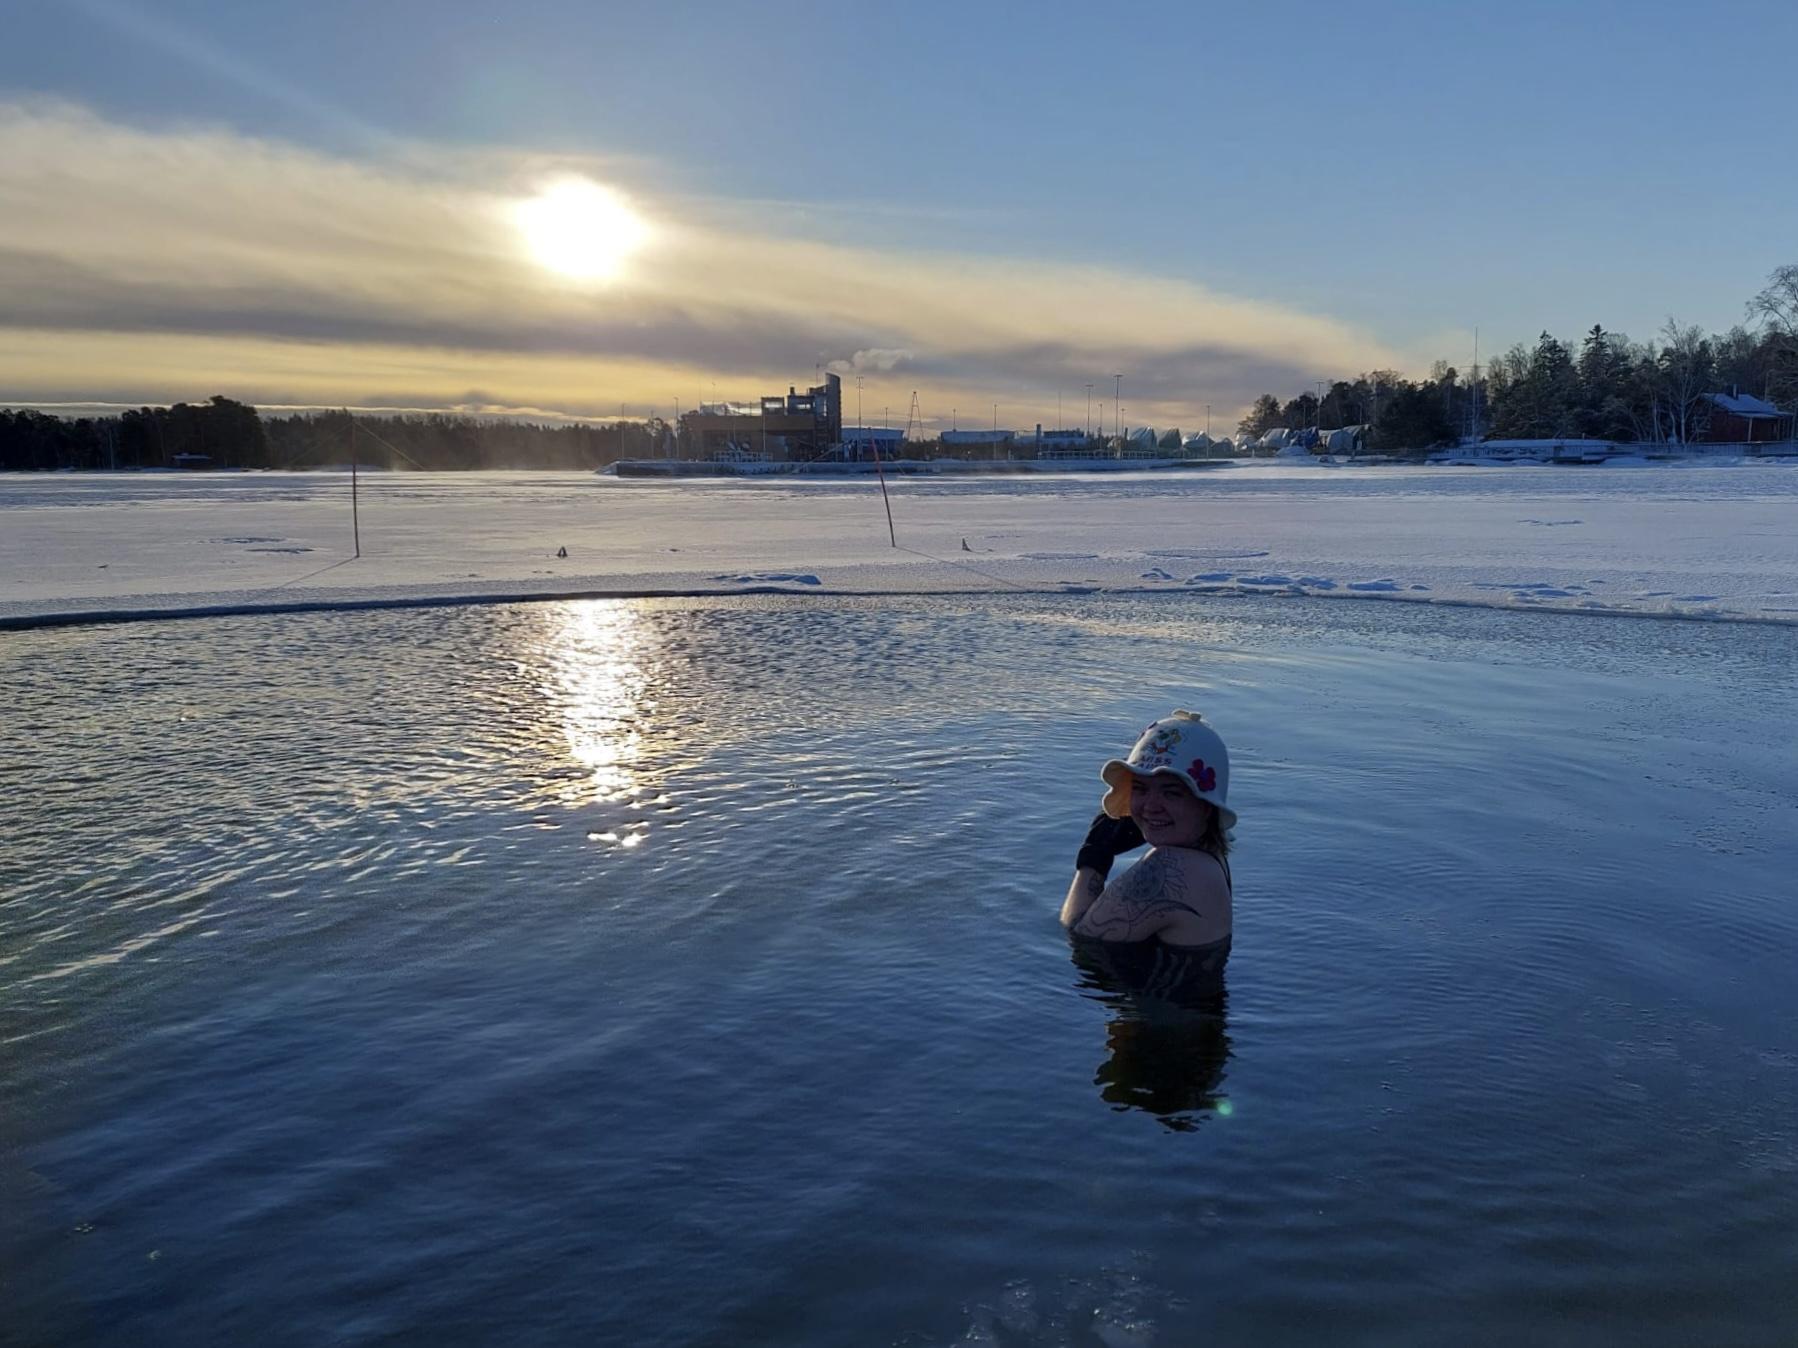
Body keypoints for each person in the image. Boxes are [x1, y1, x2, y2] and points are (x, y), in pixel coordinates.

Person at [1059, 710, 1234, 969]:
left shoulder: (1171, 866)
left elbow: (1081, 943)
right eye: (1140, 789)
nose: (1150, 806)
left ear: (1205, 805)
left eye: (1171, 792)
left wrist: (1095, 854)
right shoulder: (1212, 859)